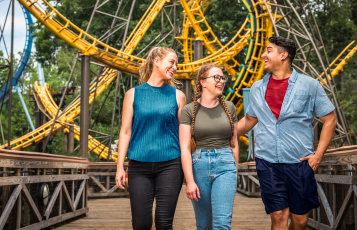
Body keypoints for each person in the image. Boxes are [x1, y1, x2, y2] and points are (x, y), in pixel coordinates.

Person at [237, 36, 337, 230]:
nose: (263, 54)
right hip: (267, 162)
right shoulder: (257, 88)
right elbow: (249, 121)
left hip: (299, 162)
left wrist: (318, 155)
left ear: (283, 55)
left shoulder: (310, 85)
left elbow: (330, 120)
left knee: (299, 221)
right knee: (278, 215)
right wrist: (216, 131)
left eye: (268, 50)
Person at [115, 47, 186, 230]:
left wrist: (189, 170)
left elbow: (184, 136)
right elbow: (125, 132)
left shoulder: (178, 96)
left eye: (176, 64)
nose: (175, 67)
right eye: (171, 62)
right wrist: (120, 167)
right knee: (141, 224)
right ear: (157, 61)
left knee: (164, 223)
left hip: (171, 164)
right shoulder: (133, 94)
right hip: (138, 165)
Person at [180, 63, 239, 230]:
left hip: (226, 165)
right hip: (198, 165)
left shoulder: (230, 107)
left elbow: (234, 143)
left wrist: (235, 169)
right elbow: (184, 148)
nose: (221, 81)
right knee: (204, 225)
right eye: (216, 78)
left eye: (222, 78)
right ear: (202, 82)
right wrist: (189, 181)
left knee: (222, 224)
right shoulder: (189, 110)